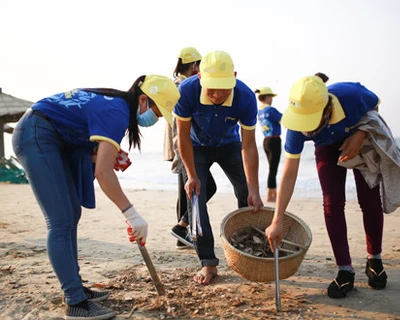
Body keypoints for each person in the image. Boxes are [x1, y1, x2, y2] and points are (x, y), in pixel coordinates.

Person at [12, 75, 180, 319]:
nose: (157, 118)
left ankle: (75, 286)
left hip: (51, 135)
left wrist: (105, 155)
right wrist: (131, 214)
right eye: (157, 111)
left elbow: (88, 145)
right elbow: (102, 172)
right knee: (60, 220)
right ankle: (75, 302)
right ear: (143, 100)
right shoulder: (116, 110)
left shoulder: (117, 105)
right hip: (35, 135)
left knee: (71, 214)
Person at [266, 75, 397, 299]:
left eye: (310, 124)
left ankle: (374, 257)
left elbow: (374, 105)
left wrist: (359, 135)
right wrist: (277, 219)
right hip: (326, 147)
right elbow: (289, 173)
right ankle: (344, 269)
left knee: (370, 200)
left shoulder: (351, 95)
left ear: (327, 111)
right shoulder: (296, 126)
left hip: (360, 139)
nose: (305, 131)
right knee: (331, 203)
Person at [173, 50, 264, 285]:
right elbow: (181, 136)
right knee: (196, 198)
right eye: (210, 87)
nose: (216, 94)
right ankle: (208, 262)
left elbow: (249, 146)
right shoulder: (186, 91)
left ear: (234, 76)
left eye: (223, 88)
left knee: (246, 192)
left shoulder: (244, 96)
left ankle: (246, 246)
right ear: (199, 76)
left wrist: (254, 188)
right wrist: (191, 175)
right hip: (196, 146)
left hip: (230, 145)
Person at [164, 47, 217, 250]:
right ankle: (181, 229)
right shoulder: (183, 86)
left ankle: (181, 231)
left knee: (187, 189)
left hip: (180, 144)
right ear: (195, 65)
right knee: (196, 188)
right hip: (183, 145)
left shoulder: (174, 83)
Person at [255, 87, 282, 202]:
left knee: (271, 168)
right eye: (270, 97)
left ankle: (271, 193)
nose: (272, 99)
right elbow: (284, 119)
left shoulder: (260, 112)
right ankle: (271, 195)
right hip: (274, 140)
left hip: (266, 141)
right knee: (273, 168)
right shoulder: (271, 110)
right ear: (265, 97)